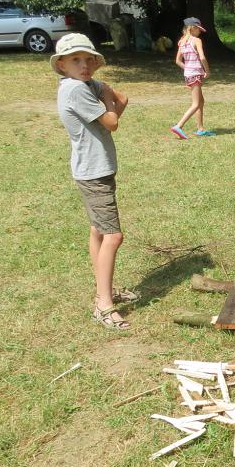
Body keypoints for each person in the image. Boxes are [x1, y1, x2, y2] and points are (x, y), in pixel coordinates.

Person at [53, 33, 136, 330]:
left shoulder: (85, 85)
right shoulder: (76, 89)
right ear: (61, 65)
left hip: (94, 168)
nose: (84, 65)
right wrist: (108, 99)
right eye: (76, 60)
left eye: (89, 59)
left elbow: (120, 101)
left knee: (98, 231)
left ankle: (104, 289)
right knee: (113, 236)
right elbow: (112, 121)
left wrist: (109, 98)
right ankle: (103, 305)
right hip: (93, 172)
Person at [171, 16, 214, 138]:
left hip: (189, 75)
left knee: (201, 101)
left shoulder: (182, 41)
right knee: (195, 103)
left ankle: (200, 129)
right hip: (195, 75)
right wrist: (207, 71)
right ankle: (178, 126)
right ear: (192, 28)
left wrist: (188, 68)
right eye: (198, 29)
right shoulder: (196, 40)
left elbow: (178, 61)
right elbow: (202, 57)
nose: (200, 31)